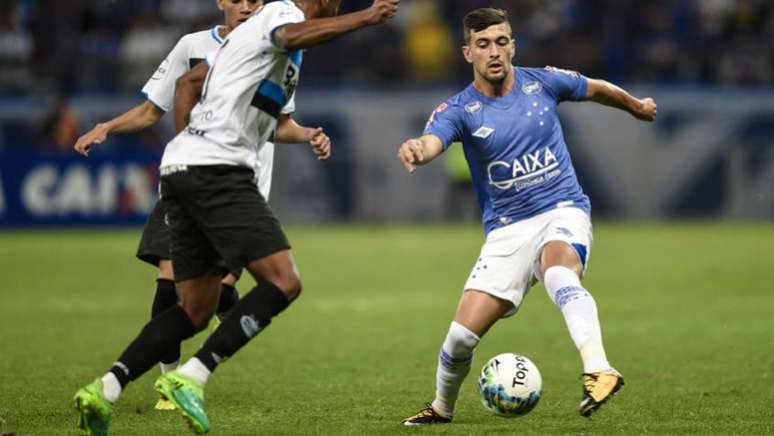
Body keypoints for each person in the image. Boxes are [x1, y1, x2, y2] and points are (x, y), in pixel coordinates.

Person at [72, 0, 399, 434]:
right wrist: (365, 18)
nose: (336, 8)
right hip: (219, 171)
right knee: (284, 281)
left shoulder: (247, 39)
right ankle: (193, 375)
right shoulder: (283, 14)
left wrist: (192, 137)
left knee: (193, 310)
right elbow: (290, 35)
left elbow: (191, 80)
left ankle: (105, 388)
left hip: (182, 168)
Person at [398, 8, 657, 425]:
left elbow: (597, 88)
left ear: (513, 45)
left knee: (557, 272)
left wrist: (635, 106)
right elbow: (433, 140)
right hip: (506, 232)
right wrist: (418, 149)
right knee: (460, 339)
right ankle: (442, 408)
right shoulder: (461, 109)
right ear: (468, 53)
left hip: (562, 209)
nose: (494, 52)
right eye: (483, 44)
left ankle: (598, 368)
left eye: (502, 42)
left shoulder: (544, 82)